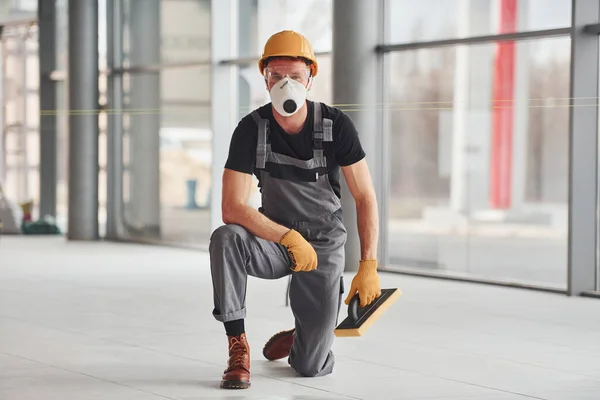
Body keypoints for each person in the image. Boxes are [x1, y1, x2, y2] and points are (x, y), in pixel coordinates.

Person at [209, 30, 381, 390]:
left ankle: (306, 334)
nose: (285, 84)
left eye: (295, 76)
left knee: (310, 367)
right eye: (276, 76)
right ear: (265, 76)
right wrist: (286, 236)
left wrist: (368, 265)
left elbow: (364, 196)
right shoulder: (250, 130)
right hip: (274, 240)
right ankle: (237, 346)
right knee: (226, 238)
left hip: (323, 242)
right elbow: (231, 207)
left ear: (310, 78)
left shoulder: (337, 126)